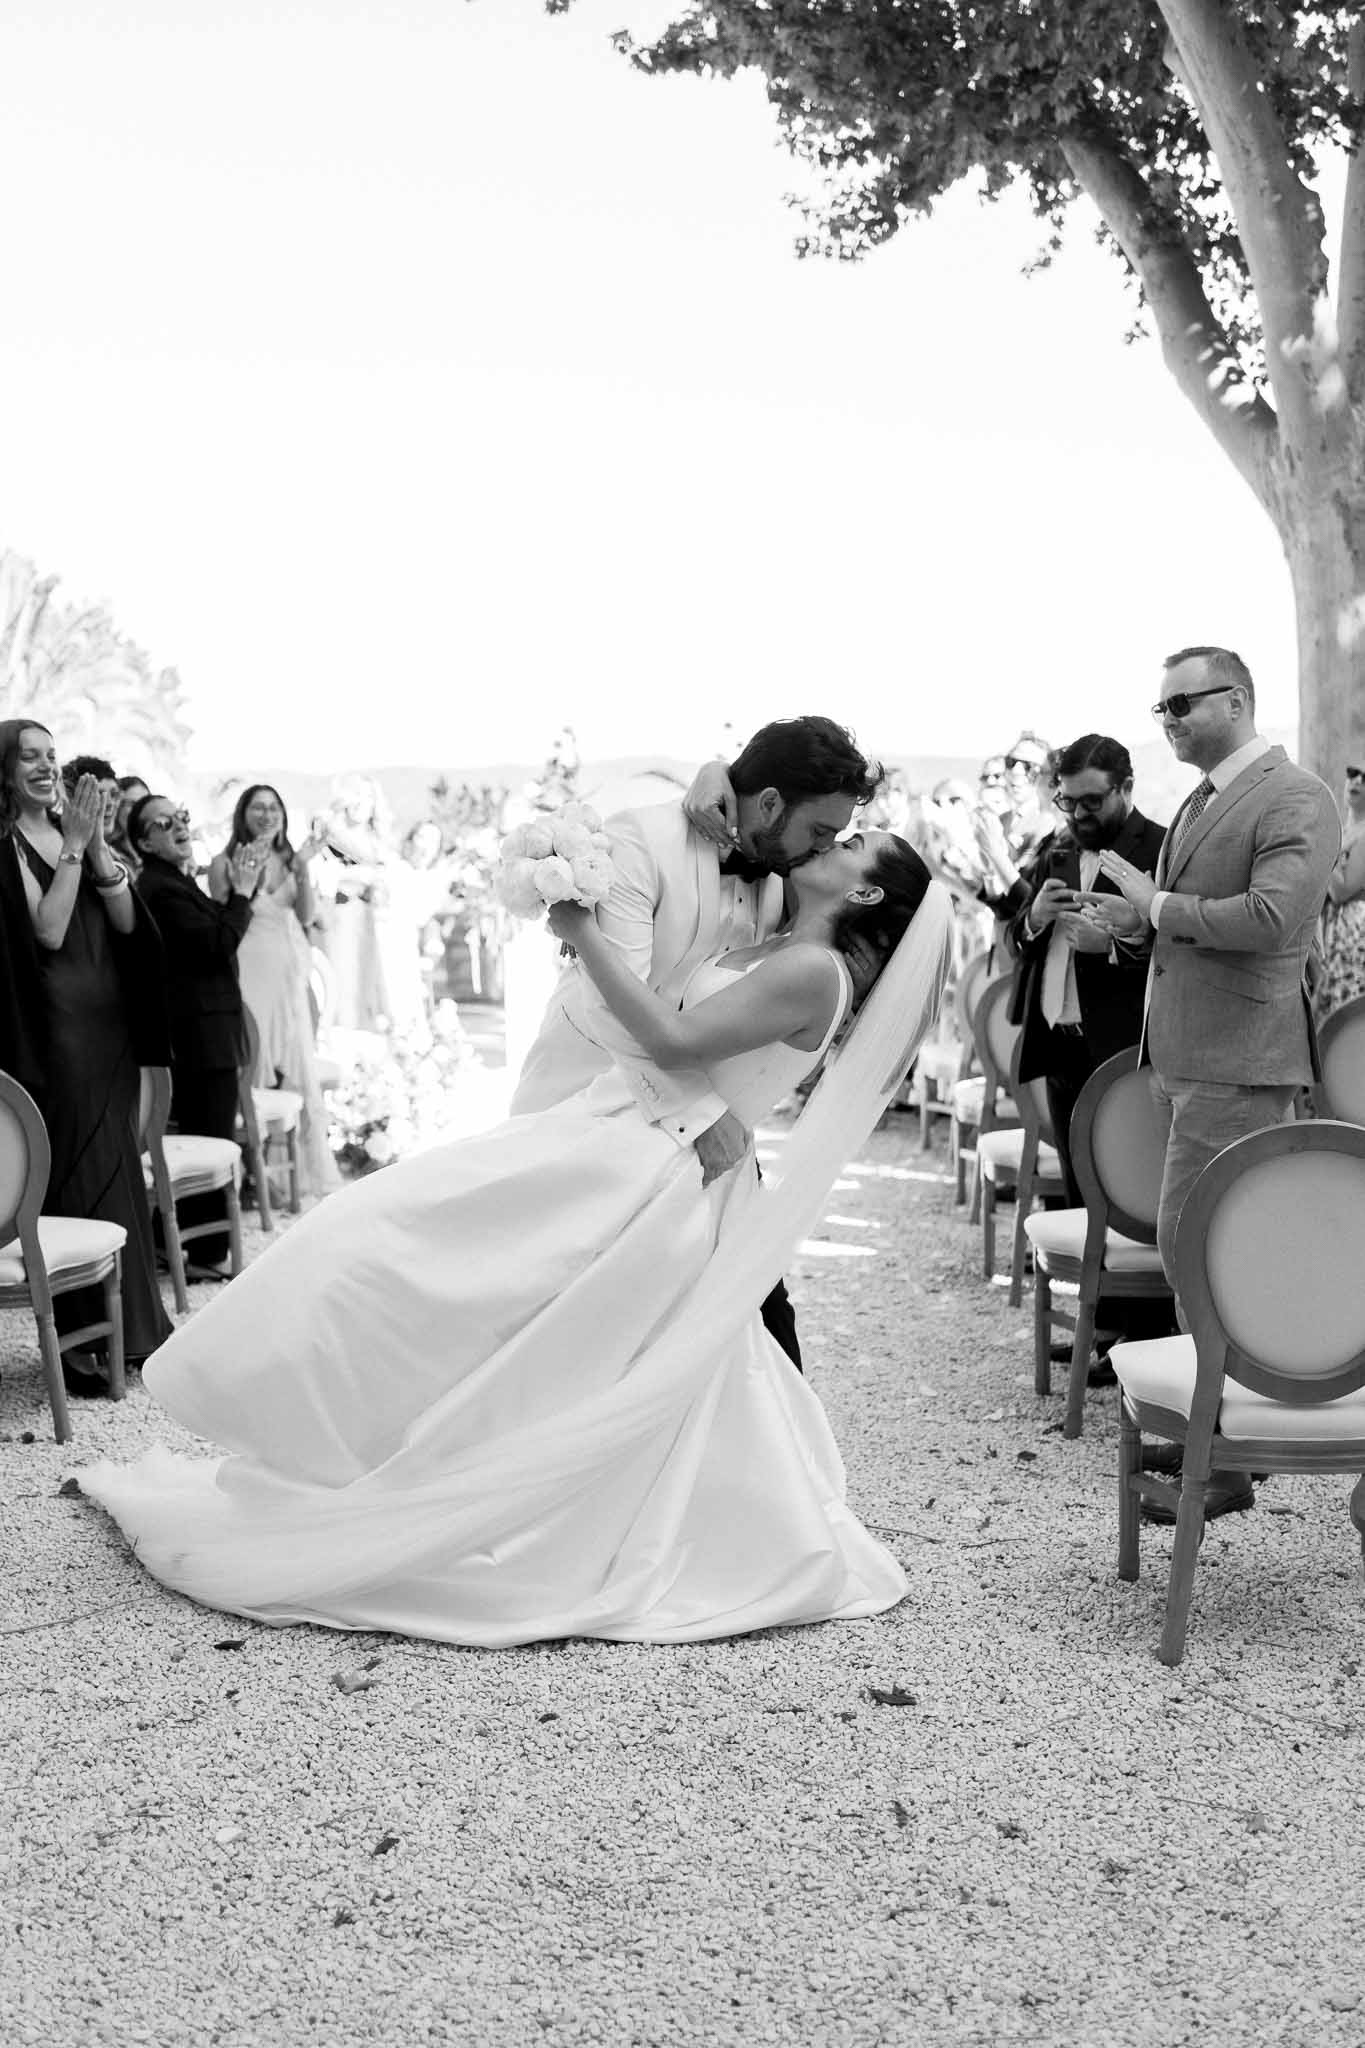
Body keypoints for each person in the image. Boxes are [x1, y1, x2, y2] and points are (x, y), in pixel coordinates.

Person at [78, 835, 954, 1648]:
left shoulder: (812, 967)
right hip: (619, 1131)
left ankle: (452, 1491)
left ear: (866, 888)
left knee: (419, 1256)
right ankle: (351, 1440)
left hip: (649, 1174)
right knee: (445, 1274)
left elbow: (674, 1037)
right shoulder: (775, 940)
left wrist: (578, 927)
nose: (831, 844)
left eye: (851, 847)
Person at [515, 715, 883, 1372]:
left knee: (740, 1305)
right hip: (585, 1106)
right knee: (559, 1311)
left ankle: (776, 1464)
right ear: (769, 802)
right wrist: (697, 1111)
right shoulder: (640, 842)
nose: (821, 848)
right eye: (820, 832)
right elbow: (606, 1001)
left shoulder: (783, 868)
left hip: (700, 1139)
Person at [1086, 646, 1340, 1520]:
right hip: (1187, 1055)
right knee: (1195, 1242)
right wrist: (1129, 928)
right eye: (1160, 709)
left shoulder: (1296, 795)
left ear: (1233, 700)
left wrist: (1153, 909)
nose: (1165, 722)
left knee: (1212, 1247)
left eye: (1179, 705)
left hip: (1241, 1058)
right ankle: (1218, 1426)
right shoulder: (1200, 799)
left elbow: (1271, 921)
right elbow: (1186, 931)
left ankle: (1227, 1451)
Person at [0, 720, 173, 1390]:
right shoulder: (11, 841)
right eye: (28, 758)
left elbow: (128, 923)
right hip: (59, 1026)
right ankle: (79, 1343)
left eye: (51, 756)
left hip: (111, 1023)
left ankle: (134, 1328)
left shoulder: (77, 832)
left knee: (120, 1165)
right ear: (6, 771)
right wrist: (71, 845)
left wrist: (95, 843)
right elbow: (46, 929)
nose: (45, 767)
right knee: (81, 1167)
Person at [1008, 734, 1167, 1204]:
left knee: (1131, 1187)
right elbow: (1016, 941)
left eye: (1091, 802)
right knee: (1075, 1186)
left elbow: (1181, 954)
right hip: (1057, 1045)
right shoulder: (1055, 848)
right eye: (1067, 800)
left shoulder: (1161, 848)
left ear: (1127, 788)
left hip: (1126, 1049)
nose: (1077, 814)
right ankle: (1081, 1276)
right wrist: (1035, 918)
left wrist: (1116, 945)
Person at [127, 794, 264, 1271]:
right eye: (163, 823)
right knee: (212, 1137)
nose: (179, 826)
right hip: (198, 1037)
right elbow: (217, 944)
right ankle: (204, 1250)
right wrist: (242, 895)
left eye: (181, 816)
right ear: (144, 841)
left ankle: (202, 1246)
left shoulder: (178, 880)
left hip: (209, 1031)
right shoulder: (160, 890)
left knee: (215, 1136)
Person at [209, 785, 339, 1199]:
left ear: (283, 814)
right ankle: (251, 1173)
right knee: (251, 1065)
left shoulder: (291, 860)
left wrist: (301, 868)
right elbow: (222, 915)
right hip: (247, 970)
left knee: (288, 1065)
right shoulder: (224, 862)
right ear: (243, 815)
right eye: (257, 807)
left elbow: (305, 915)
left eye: (273, 808)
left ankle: (284, 1177)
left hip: (286, 974)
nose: (266, 814)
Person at [1313, 762, 1365, 1022]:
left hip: (1353, 931)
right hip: (1330, 927)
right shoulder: (1344, 831)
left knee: (1339, 1011)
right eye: (1352, 773)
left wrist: (1320, 847)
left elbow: (1343, 889)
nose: (1356, 782)